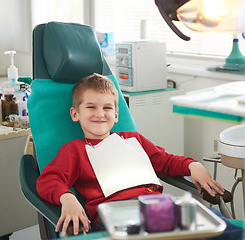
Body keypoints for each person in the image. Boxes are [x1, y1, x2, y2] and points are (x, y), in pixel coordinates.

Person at [36, 73, 225, 236]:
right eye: (91, 107)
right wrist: (67, 198)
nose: (100, 114)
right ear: (75, 114)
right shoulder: (75, 150)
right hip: (117, 213)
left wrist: (193, 165)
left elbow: (165, 162)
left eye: (107, 108)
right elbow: (49, 179)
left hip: (157, 205)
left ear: (116, 114)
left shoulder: (133, 140)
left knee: (219, 225)